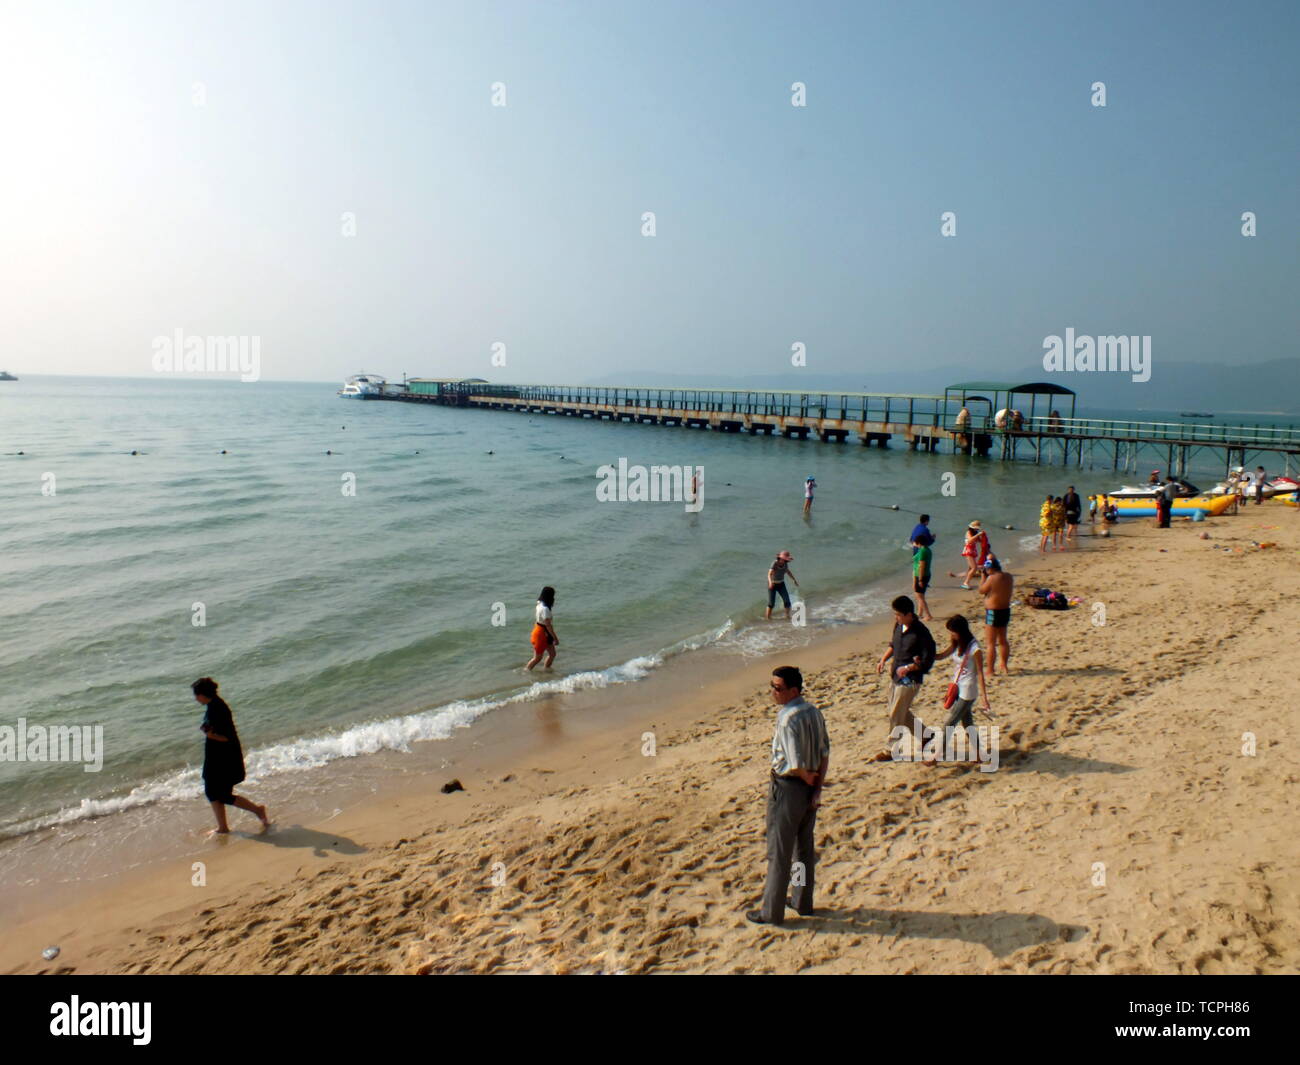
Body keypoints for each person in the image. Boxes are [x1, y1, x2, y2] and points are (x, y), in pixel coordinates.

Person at [746, 666, 830, 926]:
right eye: (772, 686)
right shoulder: (814, 711)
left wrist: (806, 777)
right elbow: (824, 753)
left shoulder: (787, 718)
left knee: (779, 852)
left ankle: (771, 912)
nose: (772, 692)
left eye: (777, 688)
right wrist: (816, 787)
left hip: (788, 788)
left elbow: (794, 763)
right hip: (809, 787)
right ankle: (802, 901)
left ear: (793, 691)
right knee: (803, 848)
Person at [192, 678, 268, 835]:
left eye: (196, 695)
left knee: (221, 794)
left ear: (203, 695)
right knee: (212, 792)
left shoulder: (218, 709)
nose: (195, 699)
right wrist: (209, 732)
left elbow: (227, 737)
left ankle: (257, 810)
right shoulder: (213, 705)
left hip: (225, 757)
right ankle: (223, 827)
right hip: (216, 756)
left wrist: (211, 735)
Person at [871, 596, 936, 762]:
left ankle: (891, 749)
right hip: (896, 676)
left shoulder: (921, 633)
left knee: (896, 713)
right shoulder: (899, 626)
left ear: (909, 614)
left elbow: (928, 659)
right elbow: (893, 645)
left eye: (898, 615)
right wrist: (883, 660)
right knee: (899, 711)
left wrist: (910, 667)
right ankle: (925, 735)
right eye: (895, 614)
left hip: (910, 680)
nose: (896, 617)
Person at [933, 614, 991, 758]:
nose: (951, 635)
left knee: (950, 722)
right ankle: (979, 753)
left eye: (953, 632)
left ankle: (937, 755)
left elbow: (980, 673)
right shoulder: (957, 644)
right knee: (967, 723)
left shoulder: (974, 649)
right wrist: (924, 655)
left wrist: (984, 698)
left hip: (968, 690)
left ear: (961, 631)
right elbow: (941, 656)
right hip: (958, 687)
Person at [979, 558, 1014, 675]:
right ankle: (1004, 665)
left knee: (991, 643)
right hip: (1005, 610)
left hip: (993, 612)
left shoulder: (992, 578)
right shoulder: (1009, 576)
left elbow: (981, 590)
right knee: (1003, 640)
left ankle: (990, 670)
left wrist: (983, 577)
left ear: (990, 569)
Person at [526, 586, 558, 670]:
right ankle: (526, 670)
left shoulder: (539, 603)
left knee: (552, 654)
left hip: (540, 629)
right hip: (541, 633)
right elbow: (548, 626)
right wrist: (555, 638)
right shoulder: (545, 609)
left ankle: (547, 670)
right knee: (538, 657)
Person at [766, 550, 800, 620]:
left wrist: (794, 580)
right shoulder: (774, 563)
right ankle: (768, 618)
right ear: (780, 558)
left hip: (781, 584)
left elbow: (788, 572)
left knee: (787, 601)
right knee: (771, 604)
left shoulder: (785, 564)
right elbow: (769, 574)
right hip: (772, 584)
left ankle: (787, 616)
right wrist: (770, 582)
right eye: (784, 560)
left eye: (786, 560)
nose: (786, 561)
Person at [911, 538, 934, 621]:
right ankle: (920, 613)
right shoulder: (927, 550)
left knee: (919, 596)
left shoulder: (923, 551)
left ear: (919, 543)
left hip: (921, 576)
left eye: (915, 542)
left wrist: (920, 580)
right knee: (921, 595)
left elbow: (922, 566)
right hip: (925, 574)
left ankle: (928, 615)